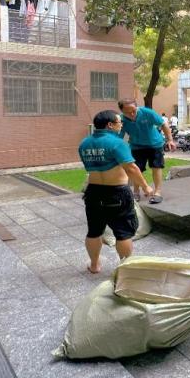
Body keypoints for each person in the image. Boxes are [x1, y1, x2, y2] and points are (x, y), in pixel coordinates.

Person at [79, 110, 154, 273]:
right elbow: (131, 168)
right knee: (123, 233)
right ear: (110, 125)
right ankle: (125, 268)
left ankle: (94, 265)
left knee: (94, 231)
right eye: (119, 122)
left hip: (93, 192)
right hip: (116, 192)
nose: (121, 125)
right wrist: (146, 187)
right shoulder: (118, 143)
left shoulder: (84, 143)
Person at [118, 99, 176, 203]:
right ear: (122, 111)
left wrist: (170, 140)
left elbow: (163, 124)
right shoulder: (121, 120)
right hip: (136, 146)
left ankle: (157, 192)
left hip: (155, 144)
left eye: (134, 111)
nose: (132, 114)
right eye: (128, 112)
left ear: (137, 107)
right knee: (137, 169)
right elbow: (118, 136)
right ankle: (136, 192)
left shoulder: (147, 113)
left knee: (156, 167)